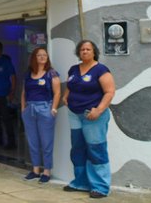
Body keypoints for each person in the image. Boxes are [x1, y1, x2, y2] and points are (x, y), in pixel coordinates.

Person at [62, 40, 116, 199]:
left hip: (93, 116)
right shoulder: (73, 69)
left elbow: (110, 92)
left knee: (95, 149)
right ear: (79, 52)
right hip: (74, 115)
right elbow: (71, 86)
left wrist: (98, 110)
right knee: (78, 149)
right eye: (82, 49)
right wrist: (66, 97)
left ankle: (100, 187)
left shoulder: (101, 70)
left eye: (88, 49)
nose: (85, 51)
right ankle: (80, 182)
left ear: (94, 52)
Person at [20, 47, 60, 183]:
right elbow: (24, 93)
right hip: (29, 108)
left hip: (45, 108)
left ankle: (47, 171)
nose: (42, 57)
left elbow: (57, 93)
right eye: (39, 55)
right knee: (32, 141)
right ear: (34, 58)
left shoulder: (51, 73)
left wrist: (53, 108)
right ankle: (35, 169)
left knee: (46, 142)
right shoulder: (29, 73)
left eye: (44, 55)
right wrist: (23, 109)